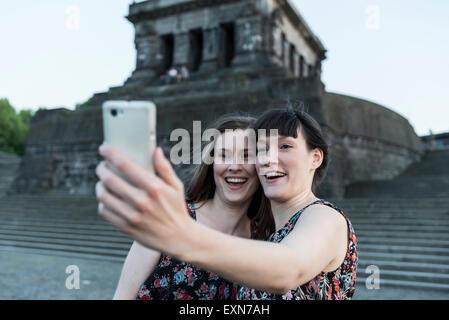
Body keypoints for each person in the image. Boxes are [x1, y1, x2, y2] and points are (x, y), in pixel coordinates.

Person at [96, 108, 358, 300]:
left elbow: (289, 269)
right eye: (263, 150)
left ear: (315, 158)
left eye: (285, 147)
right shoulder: (273, 236)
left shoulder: (324, 218)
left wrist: (180, 236)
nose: (268, 159)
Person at [97, 115, 274, 300]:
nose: (234, 166)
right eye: (224, 155)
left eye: (246, 155)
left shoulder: (265, 239)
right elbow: (123, 297)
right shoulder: (168, 216)